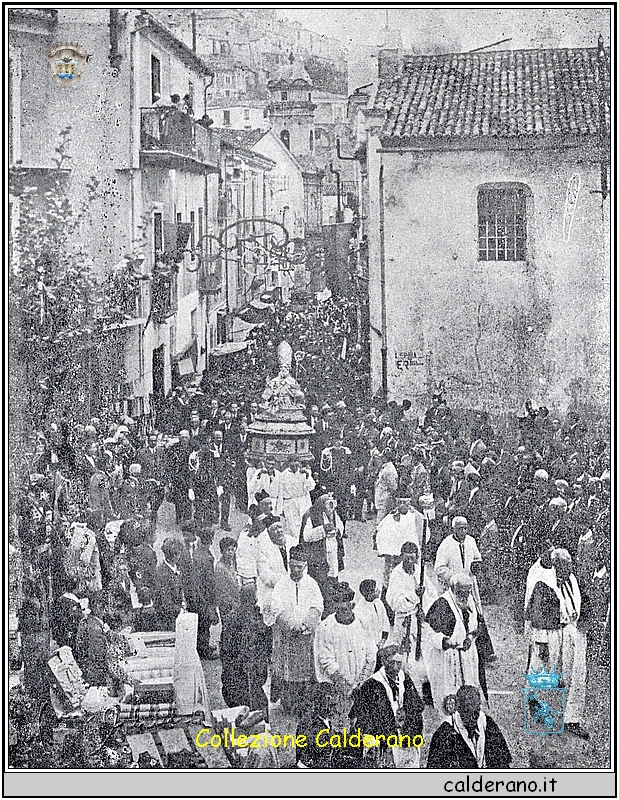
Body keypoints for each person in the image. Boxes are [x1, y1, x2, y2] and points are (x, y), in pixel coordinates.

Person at [524, 547, 589, 739]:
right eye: (564, 565)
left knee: (577, 674)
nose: (569, 568)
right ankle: (536, 704)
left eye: (570, 564)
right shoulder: (543, 584)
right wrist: (542, 645)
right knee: (541, 671)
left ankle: (572, 718)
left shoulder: (572, 580)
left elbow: (581, 604)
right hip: (550, 635)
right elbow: (536, 618)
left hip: (571, 632)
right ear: (556, 565)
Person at [349, 645, 424, 769]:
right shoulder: (372, 684)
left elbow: (417, 706)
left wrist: (406, 713)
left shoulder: (404, 679)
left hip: (406, 739)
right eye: (391, 663)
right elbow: (361, 717)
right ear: (383, 661)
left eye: (399, 663)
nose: (395, 667)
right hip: (384, 742)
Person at [270, 547, 324, 714]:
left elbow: (318, 606)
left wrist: (306, 623)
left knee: (306, 672)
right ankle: (288, 704)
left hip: (306, 637)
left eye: (299, 567)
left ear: (305, 567)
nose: (295, 570)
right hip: (288, 637)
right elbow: (276, 608)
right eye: (292, 566)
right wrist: (292, 624)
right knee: (288, 673)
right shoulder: (281, 584)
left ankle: (305, 705)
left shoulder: (311, 584)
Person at [313, 582, 375, 728]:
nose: (343, 610)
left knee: (360, 726)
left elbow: (371, 653)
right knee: (339, 727)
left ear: (351, 605)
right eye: (339, 607)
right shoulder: (326, 627)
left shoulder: (362, 622)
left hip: (360, 685)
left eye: (346, 606)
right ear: (335, 607)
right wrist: (344, 686)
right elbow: (326, 660)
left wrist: (361, 682)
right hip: (337, 688)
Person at [386, 541, 437, 702]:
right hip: (405, 623)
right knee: (404, 660)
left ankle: (426, 690)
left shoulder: (420, 571)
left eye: (412, 559)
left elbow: (432, 594)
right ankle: (405, 693)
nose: (409, 562)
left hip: (421, 621)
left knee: (426, 656)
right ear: (401, 557)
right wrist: (415, 596)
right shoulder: (396, 575)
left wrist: (425, 609)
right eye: (406, 559)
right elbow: (394, 602)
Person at [425, 572, 481, 716]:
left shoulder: (469, 600)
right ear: (454, 589)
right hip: (447, 658)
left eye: (468, 591)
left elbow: (474, 625)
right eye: (462, 592)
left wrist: (470, 637)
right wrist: (446, 641)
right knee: (449, 698)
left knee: (468, 693)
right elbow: (430, 633)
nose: (465, 595)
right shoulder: (442, 604)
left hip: (466, 655)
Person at [427, 685, 511, 768]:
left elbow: (503, 764)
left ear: (479, 706)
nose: (472, 717)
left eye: (475, 712)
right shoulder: (445, 733)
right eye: (467, 711)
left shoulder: (488, 724)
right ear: (458, 709)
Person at [219, 583, 270, 715]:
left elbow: (224, 650)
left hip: (233, 679)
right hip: (247, 678)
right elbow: (263, 649)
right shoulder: (254, 621)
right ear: (254, 600)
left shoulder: (231, 617)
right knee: (256, 711)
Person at [178, 520, 218, 659]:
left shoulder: (199, 548)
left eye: (187, 534)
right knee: (198, 621)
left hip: (200, 590)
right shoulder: (183, 549)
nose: (184, 537)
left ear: (194, 534)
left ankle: (203, 646)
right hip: (190, 591)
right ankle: (202, 649)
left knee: (204, 621)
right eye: (183, 534)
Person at [299, 492, 345, 603]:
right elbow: (306, 536)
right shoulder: (310, 515)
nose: (331, 508)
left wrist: (337, 530)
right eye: (328, 504)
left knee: (332, 577)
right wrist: (323, 529)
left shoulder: (333, 514)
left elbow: (340, 525)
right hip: (318, 554)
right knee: (320, 582)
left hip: (332, 551)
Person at [376, 494, 425, 593]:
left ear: (409, 503)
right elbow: (381, 533)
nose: (402, 505)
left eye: (405, 503)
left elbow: (424, 533)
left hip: (410, 554)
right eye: (400, 503)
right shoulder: (390, 518)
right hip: (395, 557)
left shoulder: (416, 517)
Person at [255, 520, 290, 625]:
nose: (279, 531)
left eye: (280, 527)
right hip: (271, 590)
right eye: (275, 529)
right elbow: (265, 575)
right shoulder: (263, 548)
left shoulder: (292, 542)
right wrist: (287, 580)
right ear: (269, 534)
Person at [74, 593, 109, 686]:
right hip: (97, 670)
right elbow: (99, 653)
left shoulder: (92, 620)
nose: (105, 610)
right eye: (103, 606)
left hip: (91, 667)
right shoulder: (94, 626)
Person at [279, 458, 315, 543]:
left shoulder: (303, 473)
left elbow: (311, 487)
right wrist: (281, 509)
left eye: (296, 463)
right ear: (288, 463)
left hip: (302, 502)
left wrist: (307, 475)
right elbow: (280, 492)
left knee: (305, 523)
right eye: (292, 463)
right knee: (292, 526)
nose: (294, 465)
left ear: (299, 463)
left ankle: (305, 543)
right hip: (290, 503)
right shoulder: (283, 475)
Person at [154, 538, 184, 631]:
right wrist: (180, 609)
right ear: (174, 554)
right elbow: (165, 601)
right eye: (179, 553)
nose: (180, 556)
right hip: (167, 619)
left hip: (177, 615)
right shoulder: (162, 572)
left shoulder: (176, 568)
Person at [214, 536, 241, 621]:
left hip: (236, 605)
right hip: (227, 607)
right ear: (222, 551)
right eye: (228, 550)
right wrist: (234, 605)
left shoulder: (232, 565)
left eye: (232, 550)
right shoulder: (220, 568)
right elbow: (222, 592)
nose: (230, 552)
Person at [374, 449, 398, 525]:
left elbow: (393, 487)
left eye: (383, 457)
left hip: (385, 499)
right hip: (382, 499)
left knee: (381, 523)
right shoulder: (385, 467)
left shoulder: (389, 470)